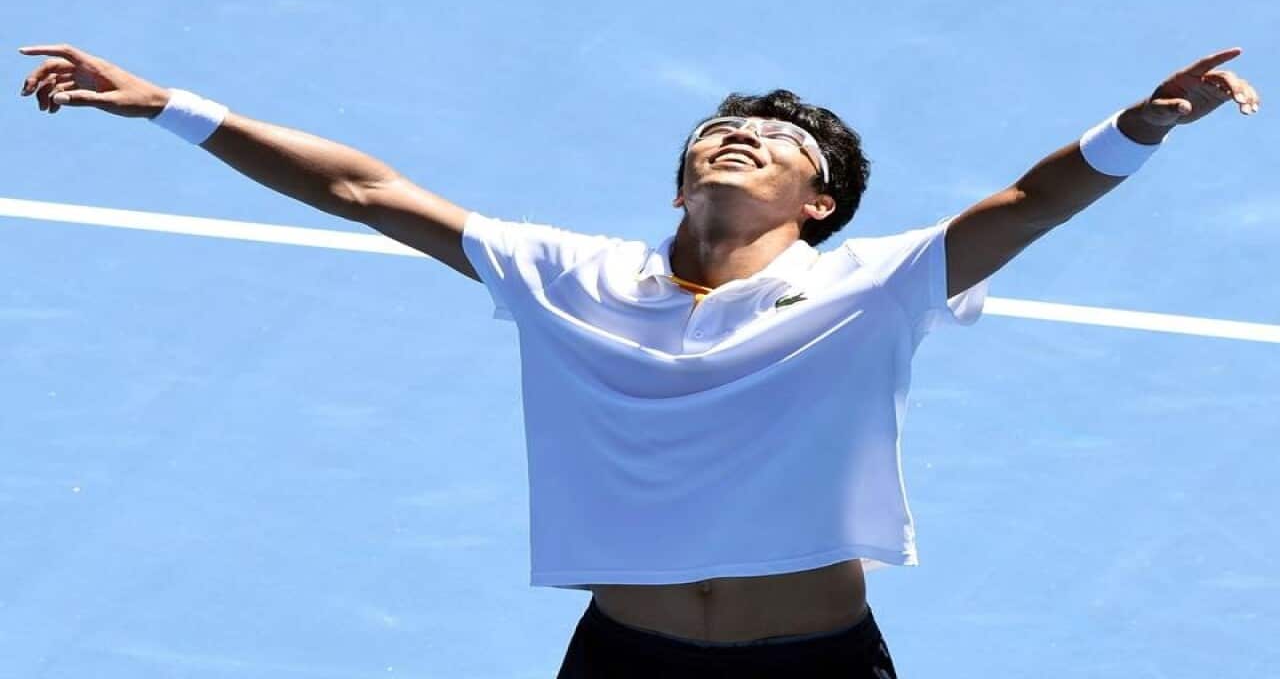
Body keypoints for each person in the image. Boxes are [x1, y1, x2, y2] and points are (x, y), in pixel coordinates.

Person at [19, 43, 1260, 678]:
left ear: (818, 202)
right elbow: (360, 186)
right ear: (681, 177)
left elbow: (1026, 201)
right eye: (716, 133)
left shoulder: (873, 283)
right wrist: (171, 105)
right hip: (625, 661)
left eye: (769, 141)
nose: (734, 138)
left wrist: (1138, 126)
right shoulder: (562, 273)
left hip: (811, 666)